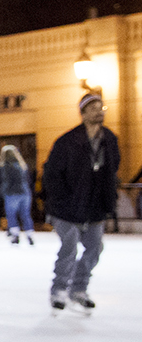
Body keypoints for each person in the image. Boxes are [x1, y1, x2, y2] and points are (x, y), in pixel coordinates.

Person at [42, 93, 120, 311]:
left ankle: (78, 288)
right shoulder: (67, 141)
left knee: (95, 248)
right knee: (69, 248)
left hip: (95, 205)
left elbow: (113, 169)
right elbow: (51, 174)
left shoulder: (110, 139)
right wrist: (61, 199)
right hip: (67, 207)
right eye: (93, 108)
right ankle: (59, 289)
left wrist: (108, 200)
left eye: (100, 107)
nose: (98, 111)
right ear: (83, 113)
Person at [0, 145, 35, 246]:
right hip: (25, 192)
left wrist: (2, 193)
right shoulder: (22, 165)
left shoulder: (5, 166)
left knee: (11, 215)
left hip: (12, 193)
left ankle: (15, 235)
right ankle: (29, 235)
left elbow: (5, 181)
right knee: (25, 214)